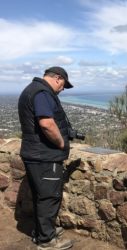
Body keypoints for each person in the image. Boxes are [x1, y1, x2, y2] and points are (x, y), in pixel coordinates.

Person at [18, 66, 74, 250]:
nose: (63, 89)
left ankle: (42, 232)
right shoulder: (42, 93)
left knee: (40, 197)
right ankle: (47, 241)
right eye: (64, 85)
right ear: (58, 78)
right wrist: (61, 144)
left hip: (34, 154)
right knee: (49, 197)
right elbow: (47, 124)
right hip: (44, 157)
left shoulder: (31, 89)